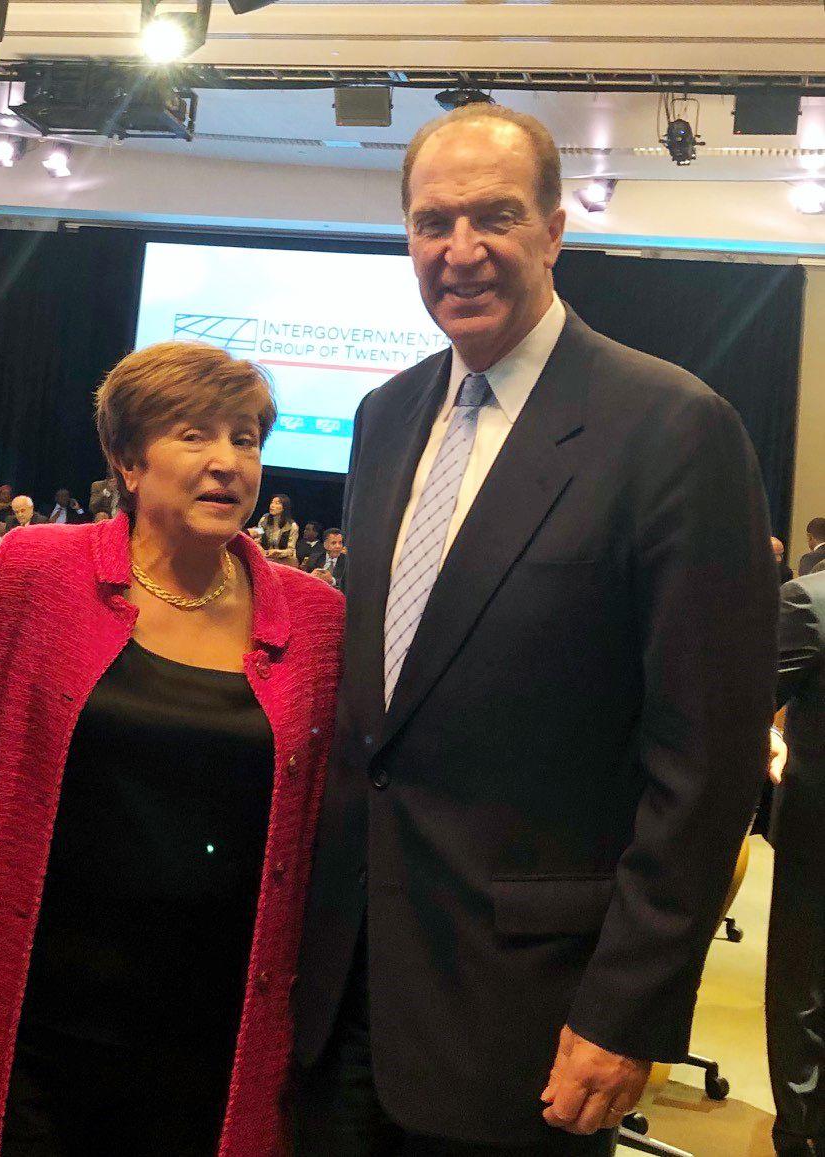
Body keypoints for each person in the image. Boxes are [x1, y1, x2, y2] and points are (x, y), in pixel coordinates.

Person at [294, 103, 776, 1156]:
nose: (460, 251)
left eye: (495, 217)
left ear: (556, 229)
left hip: (531, 1013)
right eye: (432, 223)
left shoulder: (673, 428)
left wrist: (625, 1009)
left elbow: (707, 765)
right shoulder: (383, 416)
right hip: (347, 995)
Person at [0, 340, 345, 1156]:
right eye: (194, 434)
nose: (227, 461)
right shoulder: (34, 573)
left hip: (211, 1036)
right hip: (28, 1011)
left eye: (245, 438)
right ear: (127, 461)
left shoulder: (313, 621)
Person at [768, 572, 825, 1157]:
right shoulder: (809, 601)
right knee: (805, 983)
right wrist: (766, 733)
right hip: (819, 837)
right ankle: (799, 1131)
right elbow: (742, 701)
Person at [255, 493, 300, 565]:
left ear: (284, 508)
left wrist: (277, 552)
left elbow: (291, 550)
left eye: (277, 503)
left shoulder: (292, 526)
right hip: (264, 557)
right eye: (272, 502)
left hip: (282, 561)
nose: (272, 506)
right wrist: (260, 548)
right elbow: (257, 538)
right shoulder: (263, 519)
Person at [305, 528, 348, 592]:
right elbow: (305, 579)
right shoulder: (314, 558)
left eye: (340, 543)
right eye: (334, 543)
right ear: (325, 545)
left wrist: (332, 580)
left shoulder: (347, 561)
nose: (338, 546)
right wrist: (311, 576)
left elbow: (348, 583)